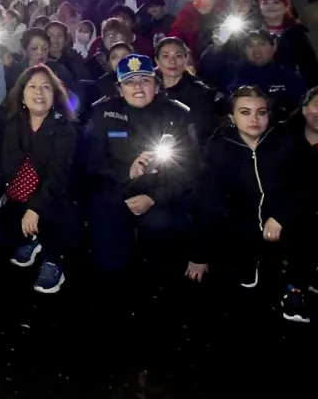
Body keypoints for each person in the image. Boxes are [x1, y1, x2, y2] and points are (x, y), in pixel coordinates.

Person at [187, 86, 316, 323]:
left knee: (300, 242)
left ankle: (294, 291)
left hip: (284, 223)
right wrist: (199, 254)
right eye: (245, 112)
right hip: (239, 227)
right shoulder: (219, 147)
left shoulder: (287, 140)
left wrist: (280, 217)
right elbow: (208, 200)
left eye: (261, 112)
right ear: (232, 117)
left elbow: (308, 185)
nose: (254, 119)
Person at [82, 54, 198, 276]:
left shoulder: (177, 114)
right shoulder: (103, 113)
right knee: (107, 243)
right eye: (129, 82)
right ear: (119, 88)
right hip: (115, 190)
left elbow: (189, 169)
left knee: (160, 228)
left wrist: (154, 197)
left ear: (156, 85)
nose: (138, 86)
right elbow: (92, 162)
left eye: (144, 80)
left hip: (160, 193)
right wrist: (127, 170)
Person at [0, 64, 78, 294]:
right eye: (33, 86)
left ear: (55, 95)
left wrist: (35, 208)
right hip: (18, 200)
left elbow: (56, 176)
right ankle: (32, 239)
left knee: (54, 220)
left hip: (51, 201)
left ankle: (53, 259)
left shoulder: (64, 129)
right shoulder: (12, 121)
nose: (39, 92)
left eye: (46, 87)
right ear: (22, 94)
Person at [155, 37, 221, 145]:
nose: (172, 61)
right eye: (165, 56)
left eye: (178, 56)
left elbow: (204, 135)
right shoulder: (149, 89)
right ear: (157, 61)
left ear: (186, 59)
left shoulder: (202, 94)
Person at [228, 29, 307, 117]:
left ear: (274, 47)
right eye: (251, 46)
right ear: (245, 51)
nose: (256, 50)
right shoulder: (236, 75)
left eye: (261, 44)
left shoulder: (289, 77)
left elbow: (302, 106)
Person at [258, 0, 318, 86]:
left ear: (286, 7)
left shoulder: (297, 32)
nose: (270, 6)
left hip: (290, 87)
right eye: (265, 3)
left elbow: (309, 65)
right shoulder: (252, 31)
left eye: (276, 2)